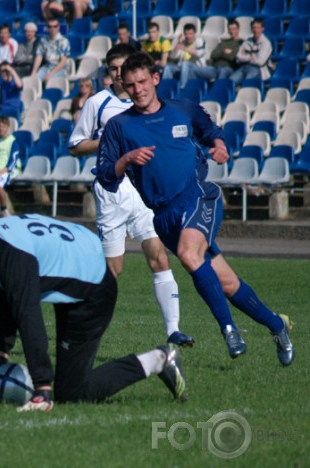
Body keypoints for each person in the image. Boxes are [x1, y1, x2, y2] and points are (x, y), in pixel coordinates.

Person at [96, 51, 294, 365]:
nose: (138, 89)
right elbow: (106, 175)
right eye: (131, 85)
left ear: (156, 79)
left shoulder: (182, 110)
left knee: (189, 256)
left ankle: (229, 330)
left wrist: (219, 145)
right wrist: (126, 160)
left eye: (143, 81)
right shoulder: (119, 127)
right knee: (227, 282)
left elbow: (211, 132)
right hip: (163, 218)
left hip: (199, 197)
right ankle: (276, 325)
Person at [0, 209, 187, 411]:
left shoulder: (11, 258)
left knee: (72, 394)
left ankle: (158, 359)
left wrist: (42, 388)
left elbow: (28, 317)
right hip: (77, 274)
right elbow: (3, 294)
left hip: (92, 296)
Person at [69, 44, 193, 347]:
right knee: (114, 269)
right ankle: (81, 326)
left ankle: (173, 331)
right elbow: (75, 145)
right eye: (112, 69)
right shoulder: (98, 102)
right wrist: (110, 142)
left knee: (159, 256)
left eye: (122, 69)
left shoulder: (149, 104)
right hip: (113, 193)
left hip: (144, 193)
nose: (117, 75)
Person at [187, 19, 243, 83]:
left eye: (234, 29)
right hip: (215, 67)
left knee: (222, 71)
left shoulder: (241, 43)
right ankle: (193, 91)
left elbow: (231, 57)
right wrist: (223, 52)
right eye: (230, 29)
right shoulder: (223, 42)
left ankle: (217, 92)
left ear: (238, 29)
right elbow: (213, 55)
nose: (231, 31)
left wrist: (220, 54)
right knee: (193, 70)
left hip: (228, 68)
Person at [229, 18, 273, 85]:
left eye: (258, 28)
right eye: (253, 28)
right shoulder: (247, 41)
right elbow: (238, 57)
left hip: (259, 69)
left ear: (262, 29)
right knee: (230, 81)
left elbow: (260, 62)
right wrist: (250, 58)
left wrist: (245, 57)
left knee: (247, 82)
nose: (255, 30)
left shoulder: (266, 43)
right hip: (244, 67)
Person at [162, 23, 207, 89]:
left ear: (194, 34)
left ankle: (182, 87)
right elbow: (172, 56)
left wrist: (184, 48)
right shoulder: (182, 43)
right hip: (182, 67)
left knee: (185, 64)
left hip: (197, 67)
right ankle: (165, 88)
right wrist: (178, 44)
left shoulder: (200, 41)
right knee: (168, 67)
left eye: (190, 34)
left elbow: (199, 53)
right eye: (186, 34)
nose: (188, 36)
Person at [31, 18, 71, 84]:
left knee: (50, 80)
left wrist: (51, 73)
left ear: (58, 27)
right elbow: (39, 56)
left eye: (55, 26)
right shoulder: (43, 40)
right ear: (47, 27)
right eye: (50, 26)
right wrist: (34, 72)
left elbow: (63, 62)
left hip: (61, 69)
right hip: (47, 67)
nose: (52, 29)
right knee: (34, 80)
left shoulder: (64, 41)